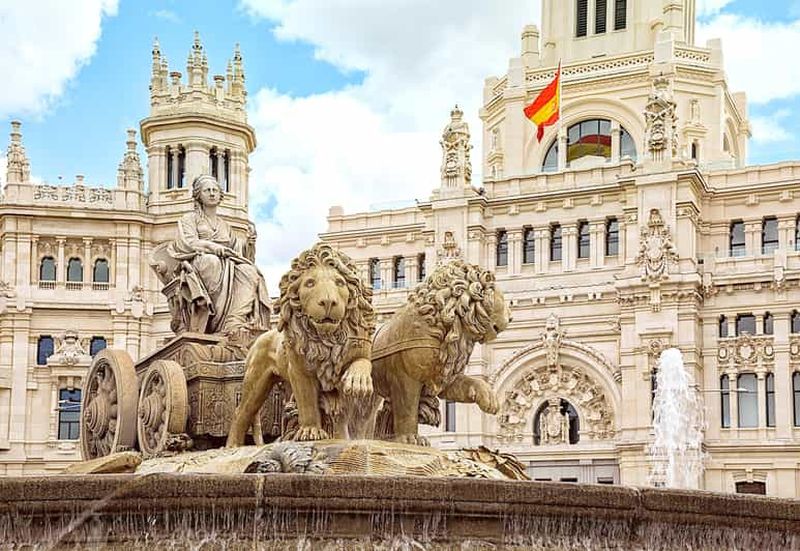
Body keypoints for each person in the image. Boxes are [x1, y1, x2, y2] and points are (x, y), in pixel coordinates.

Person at [165, 174, 271, 340]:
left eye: (215, 190)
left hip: (227, 263)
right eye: (207, 190)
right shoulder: (189, 219)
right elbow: (188, 242)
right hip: (200, 261)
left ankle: (233, 321)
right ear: (199, 195)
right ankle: (213, 320)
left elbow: (238, 252)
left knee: (249, 271)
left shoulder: (225, 225)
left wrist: (250, 243)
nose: (212, 193)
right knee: (212, 262)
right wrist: (212, 247)